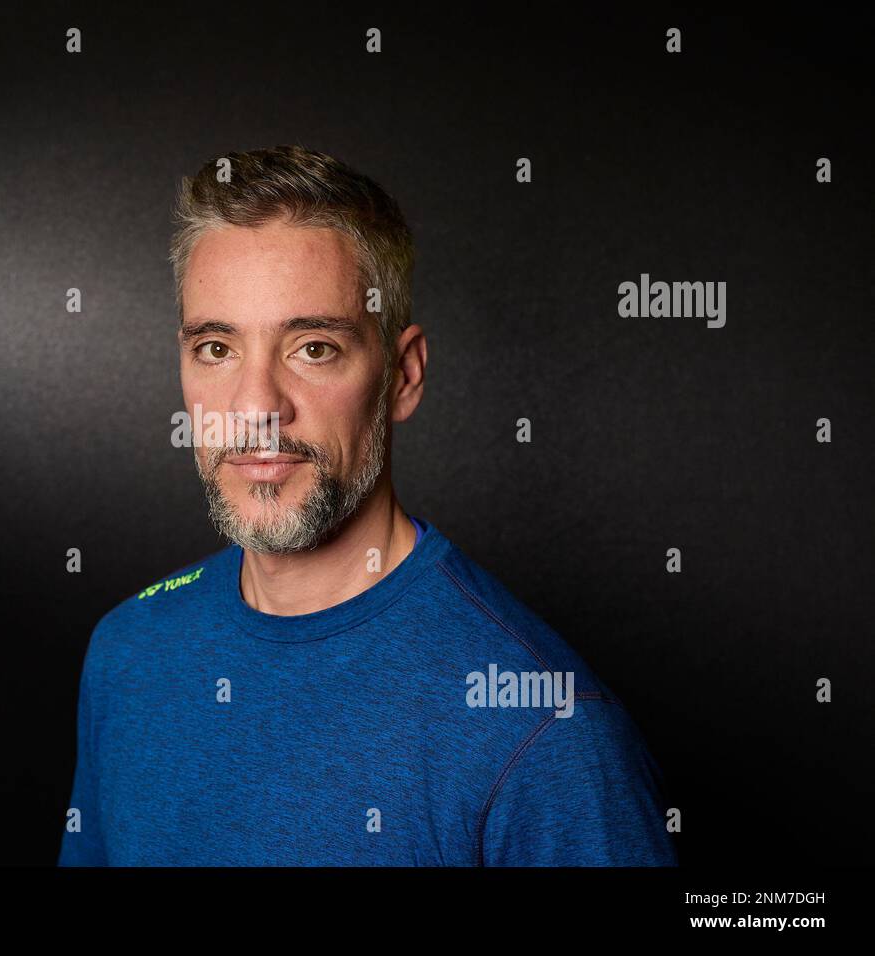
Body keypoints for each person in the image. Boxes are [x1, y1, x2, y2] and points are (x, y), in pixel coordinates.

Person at [58, 145, 677, 866]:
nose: (256, 408)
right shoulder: (127, 653)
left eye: (314, 347)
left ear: (403, 376)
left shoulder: (543, 732)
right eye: (218, 348)